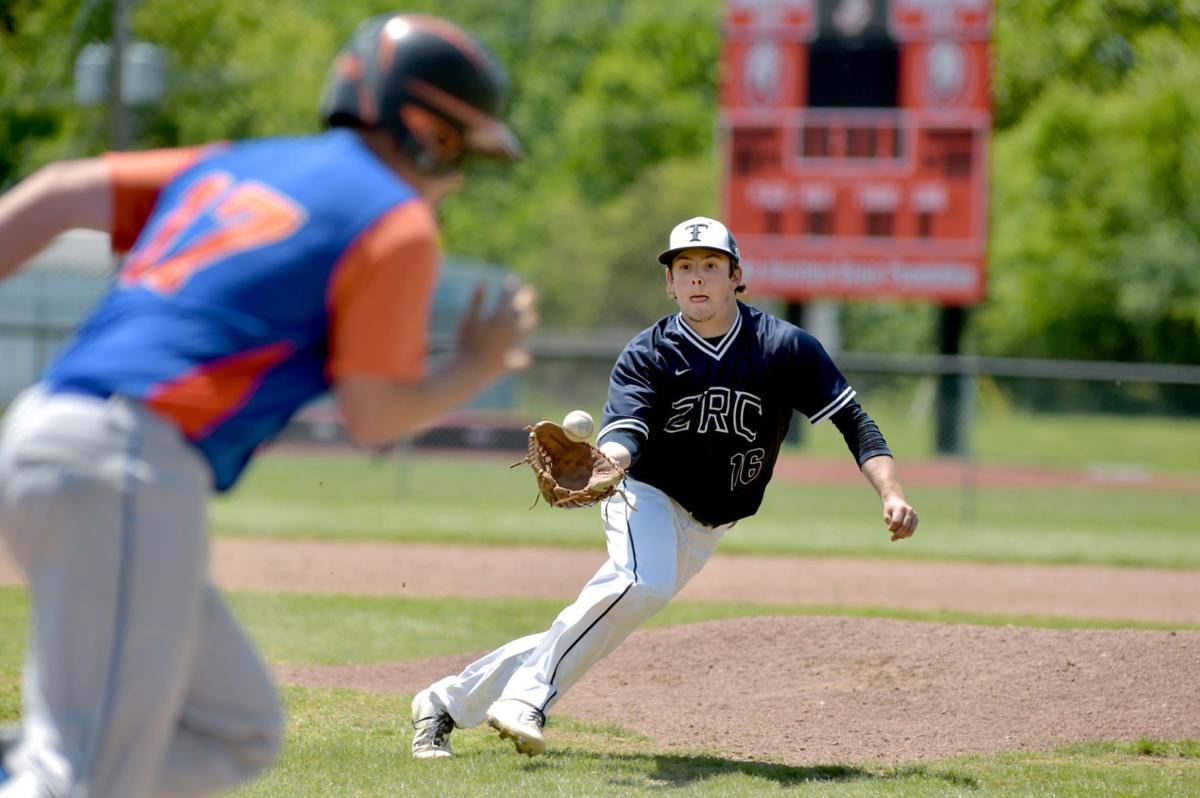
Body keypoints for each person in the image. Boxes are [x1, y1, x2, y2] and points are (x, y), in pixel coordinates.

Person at [0, 12, 536, 797]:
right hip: (127, 468)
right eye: (464, 154)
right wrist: (475, 365)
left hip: (48, 432)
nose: (458, 179)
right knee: (81, 780)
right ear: (429, 132)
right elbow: (373, 416)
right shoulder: (395, 219)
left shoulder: (241, 163)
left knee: (236, 728)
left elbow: (51, 194)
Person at [411, 216, 918, 759]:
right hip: (643, 491)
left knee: (606, 617)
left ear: (736, 276)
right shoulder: (649, 352)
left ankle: (442, 702)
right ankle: (526, 702)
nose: (697, 277)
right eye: (684, 267)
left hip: (711, 522)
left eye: (710, 265)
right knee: (641, 586)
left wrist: (890, 492)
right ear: (669, 283)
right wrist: (611, 461)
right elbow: (627, 428)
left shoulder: (783, 348)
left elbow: (855, 422)